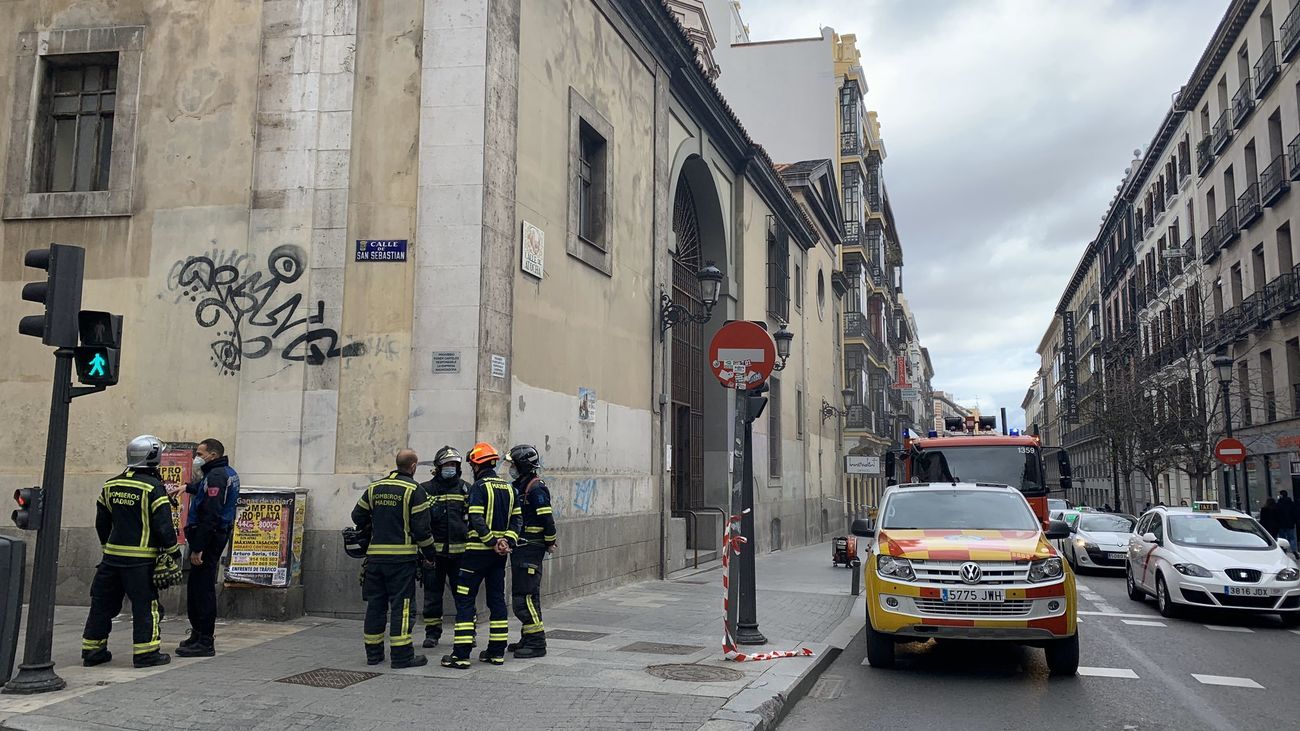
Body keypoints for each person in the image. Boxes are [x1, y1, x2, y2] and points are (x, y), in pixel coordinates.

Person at [82, 435, 179, 668]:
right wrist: (173, 554)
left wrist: (107, 548)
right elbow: (164, 526)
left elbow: (101, 522)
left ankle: (93, 652)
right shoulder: (153, 488)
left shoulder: (111, 484)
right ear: (153, 457)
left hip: (111, 559)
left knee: (101, 605)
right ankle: (146, 654)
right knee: (147, 607)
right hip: (141, 562)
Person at [352, 449, 438, 668]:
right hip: (401, 561)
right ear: (413, 466)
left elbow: (357, 516)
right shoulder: (414, 490)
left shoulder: (375, 488)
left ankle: (374, 654)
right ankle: (402, 656)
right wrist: (430, 555)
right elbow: (422, 530)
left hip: (375, 560)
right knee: (402, 606)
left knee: (375, 606)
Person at [442, 443, 521, 669]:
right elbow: (517, 521)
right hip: (499, 557)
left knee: (465, 600)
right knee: (496, 601)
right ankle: (496, 653)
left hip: (476, 554)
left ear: (477, 464)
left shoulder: (478, 487)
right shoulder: (509, 488)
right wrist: (507, 541)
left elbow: (475, 518)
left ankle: (461, 655)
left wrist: (491, 541)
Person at [176, 438, 240, 658]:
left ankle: (204, 640)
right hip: (213, 535)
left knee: (202, 589)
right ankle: (198, 633)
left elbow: (211, 514)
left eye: (201, 454)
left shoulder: (216, 476)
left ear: (213, 455)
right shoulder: (223, 472)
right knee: (196, 586)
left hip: (209, 538)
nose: (197, 458)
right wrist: (188, 487)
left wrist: (198, 548)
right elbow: (207, 492)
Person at [505, 444, 557, 659]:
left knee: (523, 597)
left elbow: (547, 519)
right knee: (529, 596)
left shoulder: (535, 488)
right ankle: (528, 637)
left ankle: (537, 643)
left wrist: (550, 541)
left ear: (522, 465)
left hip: (529, 548)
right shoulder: (521, 484)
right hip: (522, 548)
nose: (510, 467)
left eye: (513, 464)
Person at [420, 446, 470, 648]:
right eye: (447, 464)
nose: (450, 468)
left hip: (461, 556)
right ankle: (432, 634)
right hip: (434, 555)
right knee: (432, 596)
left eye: (453, 465)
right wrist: (424, 552)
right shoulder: (425, 490)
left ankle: (467, 633)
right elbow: (421, 522)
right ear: (438, 466)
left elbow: (474, 520)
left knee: (464, 596)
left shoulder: (466, 489)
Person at [1277, 490, 1298, 556]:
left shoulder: (1279, 504)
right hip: (1290, 524)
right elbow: (1295, 514)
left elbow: (1276, 514)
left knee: (1283, 538)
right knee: (1291, 538)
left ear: (1281, 495)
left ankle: (1284, 551)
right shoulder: (1291, 503)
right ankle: (1294, 551)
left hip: (1281, 524)